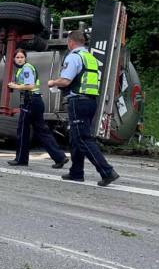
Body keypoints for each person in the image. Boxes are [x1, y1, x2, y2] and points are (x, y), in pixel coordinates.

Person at [48, 30, 119, 187]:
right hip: (90, 101)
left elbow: (66, 81)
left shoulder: (74, 56)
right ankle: (76, 172)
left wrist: (52, 83)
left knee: (82, 138)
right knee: (75, 137)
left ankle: (107, 172)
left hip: (77, 101)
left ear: (71, 42)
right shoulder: (90, 58)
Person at [7, 49, 69, 168]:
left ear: (25, 58)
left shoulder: (26, 68)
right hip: (35, 101)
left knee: (23, 131)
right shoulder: (24, 68)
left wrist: (15, 86)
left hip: (30, 101)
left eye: (22, 57)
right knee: (42, 131)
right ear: (14, 59)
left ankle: (21, 159)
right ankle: (60, 157)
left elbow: (30, 86)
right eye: (17, 57)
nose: (20, 59)